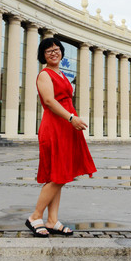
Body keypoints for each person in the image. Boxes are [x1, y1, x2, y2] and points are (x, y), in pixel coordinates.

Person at [25, 37, 97, 237]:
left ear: (62, 52)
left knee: (61, 175)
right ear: (43, 55)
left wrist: (71, 120)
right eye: (49, 51)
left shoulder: (63, 75)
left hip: (66, 127)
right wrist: (71, 117)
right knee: (56, 176)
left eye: (56, 49)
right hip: (55, 126)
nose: (54, 53)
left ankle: (52, 220)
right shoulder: (44, 74)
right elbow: (48, 101)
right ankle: (35, 216)